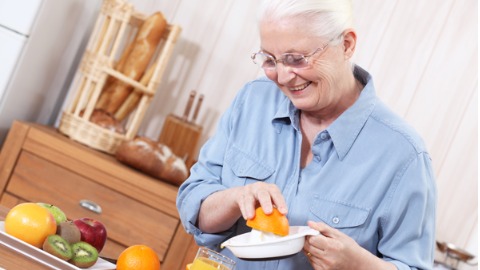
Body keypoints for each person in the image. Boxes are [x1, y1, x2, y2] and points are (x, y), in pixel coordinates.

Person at [176, 0, 437, 269]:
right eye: (270, 59)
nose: (283, 77)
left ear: (346, 44)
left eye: (296, 59)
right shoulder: (252, 100)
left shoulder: (404, 155)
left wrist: (359, 265)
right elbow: (193, 204)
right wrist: (234, 199)